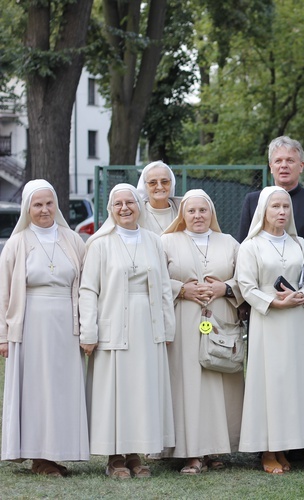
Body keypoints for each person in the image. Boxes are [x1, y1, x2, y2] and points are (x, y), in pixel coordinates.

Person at [79, 183, 175, 479]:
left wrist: (167, 328)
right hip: (113, 327)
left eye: (130, 203)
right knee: (115, 394)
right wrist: (88, 332)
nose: (124, 208)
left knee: (141, 391)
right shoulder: (99, 243)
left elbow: (163, 289)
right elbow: (88, 290)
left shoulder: (153, 241)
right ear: (110, 208)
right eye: (118, 203)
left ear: (139, 206)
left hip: (147, 326)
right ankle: (114, 457)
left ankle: (135, 454)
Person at [0, 180, 89, 476]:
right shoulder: (17, 243)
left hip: (66, 325)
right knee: (36, 390)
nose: (44, 210)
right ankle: (39, 456)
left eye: (49, 203)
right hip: (29, 327)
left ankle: (60, 450)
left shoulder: (73, 240)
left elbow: (86, 287)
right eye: (37, 205)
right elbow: (4, 294)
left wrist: (87, 328)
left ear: (56, 205)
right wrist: (3, 335)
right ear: (28, 208)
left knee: (62, 390)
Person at [236, 186, 304, 474]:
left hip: (298, 323)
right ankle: (268, 450)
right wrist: (275, 301)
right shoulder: (251, 246)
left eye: (286, 207)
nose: (282, 212)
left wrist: (303, 296)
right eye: (275, 207)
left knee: (295, 383)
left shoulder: (299, 244)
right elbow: (246, 287)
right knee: (271, 384)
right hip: (269, 322)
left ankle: (287, 446)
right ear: (264, 210)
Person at [160, 189, 244, 474]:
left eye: (203, 210)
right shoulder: (167, 241)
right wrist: (181, 289)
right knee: (188, 386)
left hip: (221, 318)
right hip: (183, 321)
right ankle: (191, 453)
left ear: (212, 213)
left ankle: (215, 448)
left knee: (218, 383)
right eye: (192, 211)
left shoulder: (229, 242)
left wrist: (225, 287)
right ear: (182, 214)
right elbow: (155, 279)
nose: (198, 216)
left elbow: (247, 279)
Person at [237, 136, 304, 343]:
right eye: (278, 161)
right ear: (270, 166)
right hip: (265, 302)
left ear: (301, 166)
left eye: (290, 160)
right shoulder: (253, 200)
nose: (283, 165)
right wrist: (245, 302)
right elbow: (243, 250)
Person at [136, 160, 181, 234]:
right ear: (145, 186)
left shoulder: (182, 210)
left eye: (165, 181)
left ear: (171, 183)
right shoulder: (137, 213)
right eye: (152, 183)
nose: (159, 187)